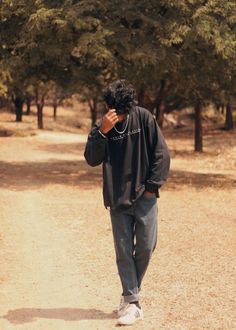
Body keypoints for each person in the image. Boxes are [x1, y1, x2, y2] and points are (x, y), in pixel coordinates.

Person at [84, 79, 170, 326]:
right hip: (117, 198)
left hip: (145, 196)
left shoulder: (143, 118)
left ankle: (129, 296)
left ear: (129, 107)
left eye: (122, 111)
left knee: (146, 246)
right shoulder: (103, 126)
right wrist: (102, 132)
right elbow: (92, 159)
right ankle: (132, 303)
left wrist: (151, 189)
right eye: (113, 110)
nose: (118, 115)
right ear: (108, 107)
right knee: (123, 252)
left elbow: (161, 154)